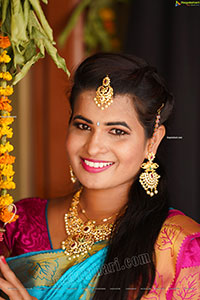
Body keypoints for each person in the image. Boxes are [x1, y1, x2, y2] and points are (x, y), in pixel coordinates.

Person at [0, 53, 199, 300]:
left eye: (117, 131)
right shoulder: (17, 224)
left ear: (153, 141)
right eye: (83, 126)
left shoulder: (182, 247)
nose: (94, 147)